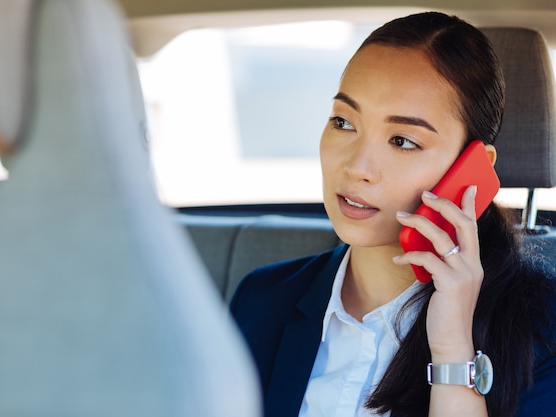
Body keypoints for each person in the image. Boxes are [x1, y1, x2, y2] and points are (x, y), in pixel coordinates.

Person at [230, 11, 556, 417]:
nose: (357, 167)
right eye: (343, 122)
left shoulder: (542, 328)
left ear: (470, 167)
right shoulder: (262, 299)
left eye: (402, 140)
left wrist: (454, 347)